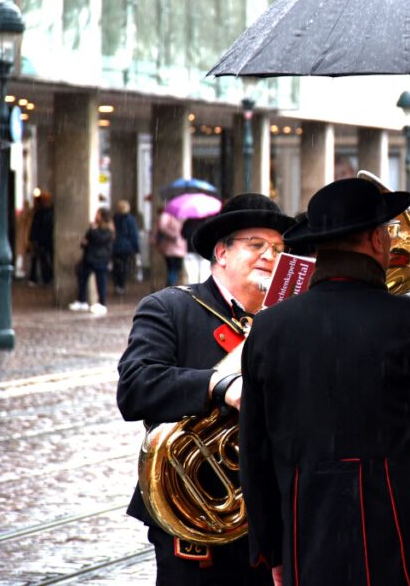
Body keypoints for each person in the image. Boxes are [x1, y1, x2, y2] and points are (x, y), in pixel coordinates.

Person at [238, 178, 410, 585]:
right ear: (375, 240)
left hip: (310, 541)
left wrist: (273, 549)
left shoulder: (270, 327)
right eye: (386, 231)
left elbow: (254, 454)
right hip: (406, 546)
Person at [116, 193, 294, 585]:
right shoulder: (170, 308)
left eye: (279, 249)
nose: (270, 255)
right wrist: (218, 384)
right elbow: (134, 386)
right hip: (197, 527)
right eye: (256, 244)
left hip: (274, 523)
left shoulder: (291, 323)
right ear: (222, 253)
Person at [69, 207, 114, 315]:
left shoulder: (98, 231)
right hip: (96, 259)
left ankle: (94, 302)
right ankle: (88, 301)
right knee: (89, 280)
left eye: (98, 214)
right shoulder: (108, 231)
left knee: (96, 281)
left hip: (95, 259)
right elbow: (85, 242)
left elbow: (89, 240)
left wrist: (91, 233)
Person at [112, 199, 140, 294]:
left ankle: (117, 284)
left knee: (116, 265)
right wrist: (136, 248)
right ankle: (121, 285)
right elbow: (134, 234)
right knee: (124, 265)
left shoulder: (115, 218)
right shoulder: (130, 219)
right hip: (126, 246)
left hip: (115, 245)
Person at [154, 208, 187, 286]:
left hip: (173, 249)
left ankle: (171, 285)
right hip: (176, 249)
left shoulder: (167, 216)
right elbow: (162, 227)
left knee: (173, 269)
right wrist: (173, 235)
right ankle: (171, 285)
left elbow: (162, 227)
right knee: (174, 269)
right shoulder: (182, 216)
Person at [28, 190, 54, 285]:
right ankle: (45, 277)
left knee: (42, 259)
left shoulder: (43, 212)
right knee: (40, 259)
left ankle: (45, 277)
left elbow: (35, 226)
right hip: (43, 239)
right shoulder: (43, 212)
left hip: (44, 239)